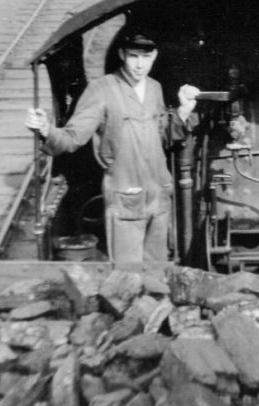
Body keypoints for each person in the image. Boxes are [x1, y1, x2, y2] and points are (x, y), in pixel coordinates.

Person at [25, 30, 199, 266]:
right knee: (127, 274)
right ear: (121, 54)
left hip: (158, 195)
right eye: (133, 56)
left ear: (154, 56)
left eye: (145, 57)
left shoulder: (154, 88)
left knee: (157, 269)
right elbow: (74, 136)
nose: (139, 65)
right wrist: (46, 130)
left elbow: (163, 136)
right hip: (125, 197)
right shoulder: (101, 89)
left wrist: (183, 112)